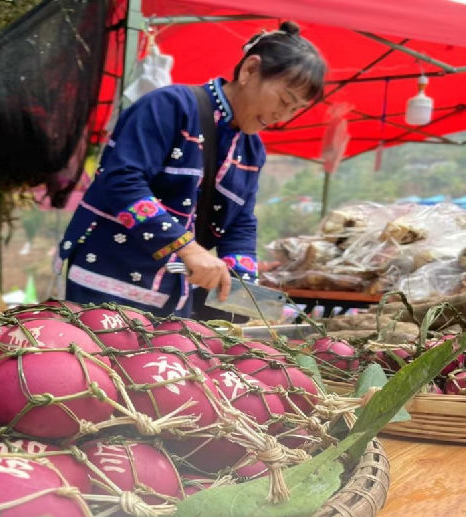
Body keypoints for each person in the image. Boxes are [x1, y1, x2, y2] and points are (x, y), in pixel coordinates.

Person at [56, 21, 326, 317]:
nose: (282, 116)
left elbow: (240, 223)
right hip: (106, 281)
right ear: (250, 70)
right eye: (285, 99)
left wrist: (241, 287)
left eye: (295, 109)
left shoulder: (252, 150)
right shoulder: (169, 106)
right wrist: (188, 248)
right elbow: (121, 181)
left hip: (174, 298)